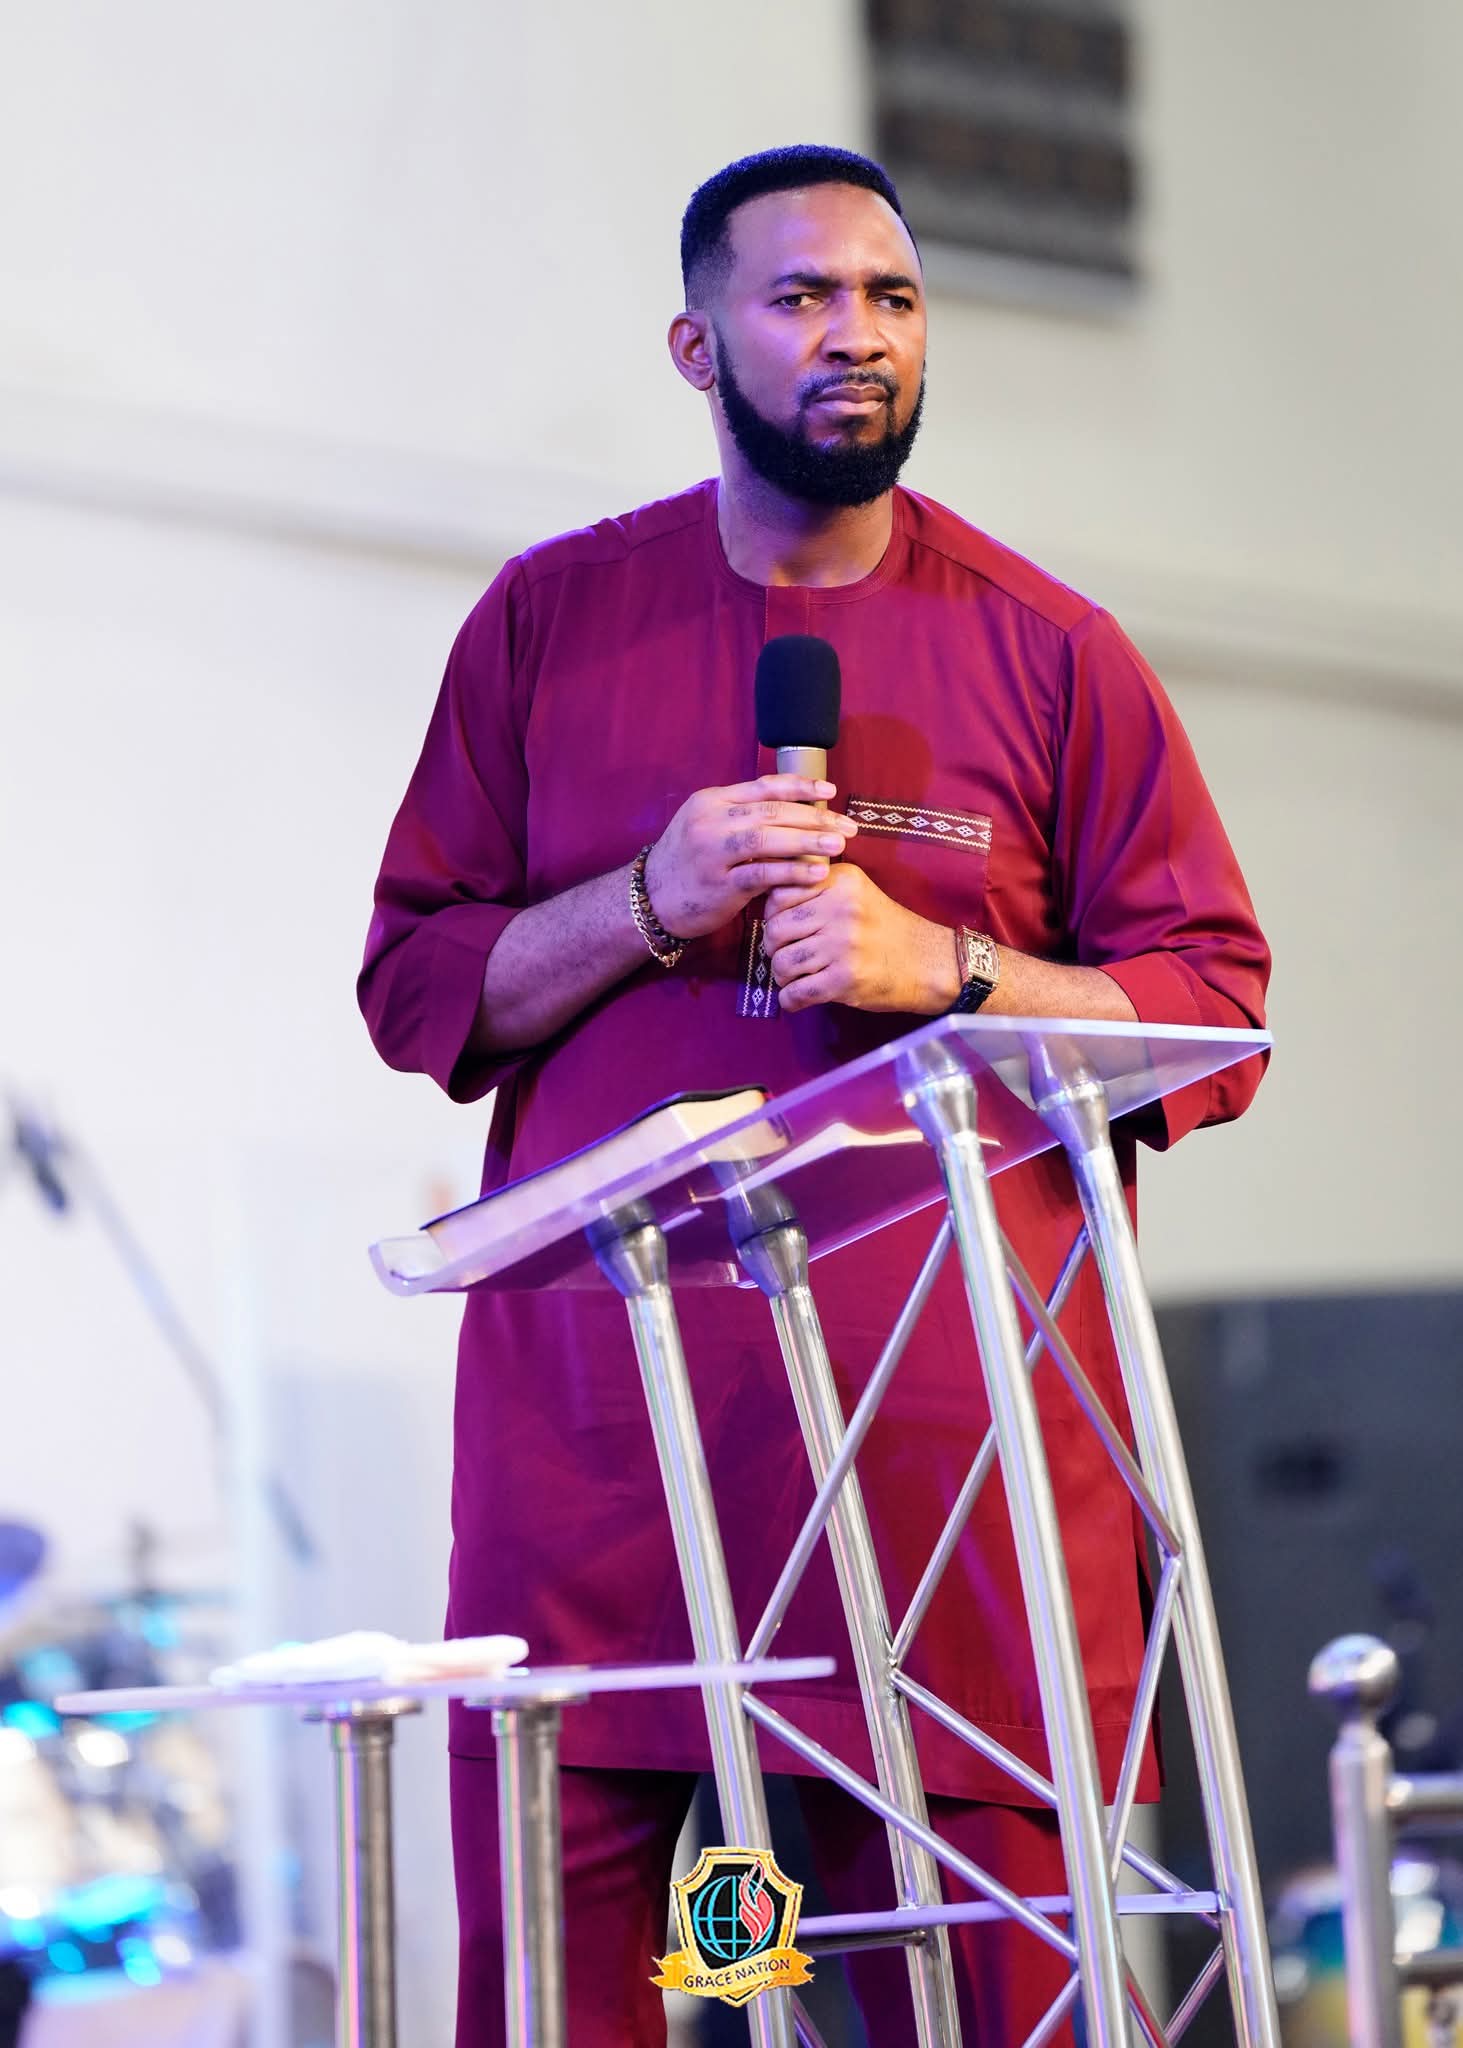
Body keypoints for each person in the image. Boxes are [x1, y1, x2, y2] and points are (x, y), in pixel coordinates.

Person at [359, 144, 1270, 2047]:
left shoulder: (1053, 653)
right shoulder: (548, 624)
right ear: (696, 348)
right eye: (802, 298)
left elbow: (1214, 1007)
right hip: (604, 1482)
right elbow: (420, 988)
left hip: (947, 1484)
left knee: (981, 2002)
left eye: (892, 298)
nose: (858, 335)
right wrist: (647, 899)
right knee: (575, 2003)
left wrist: (945, 968)